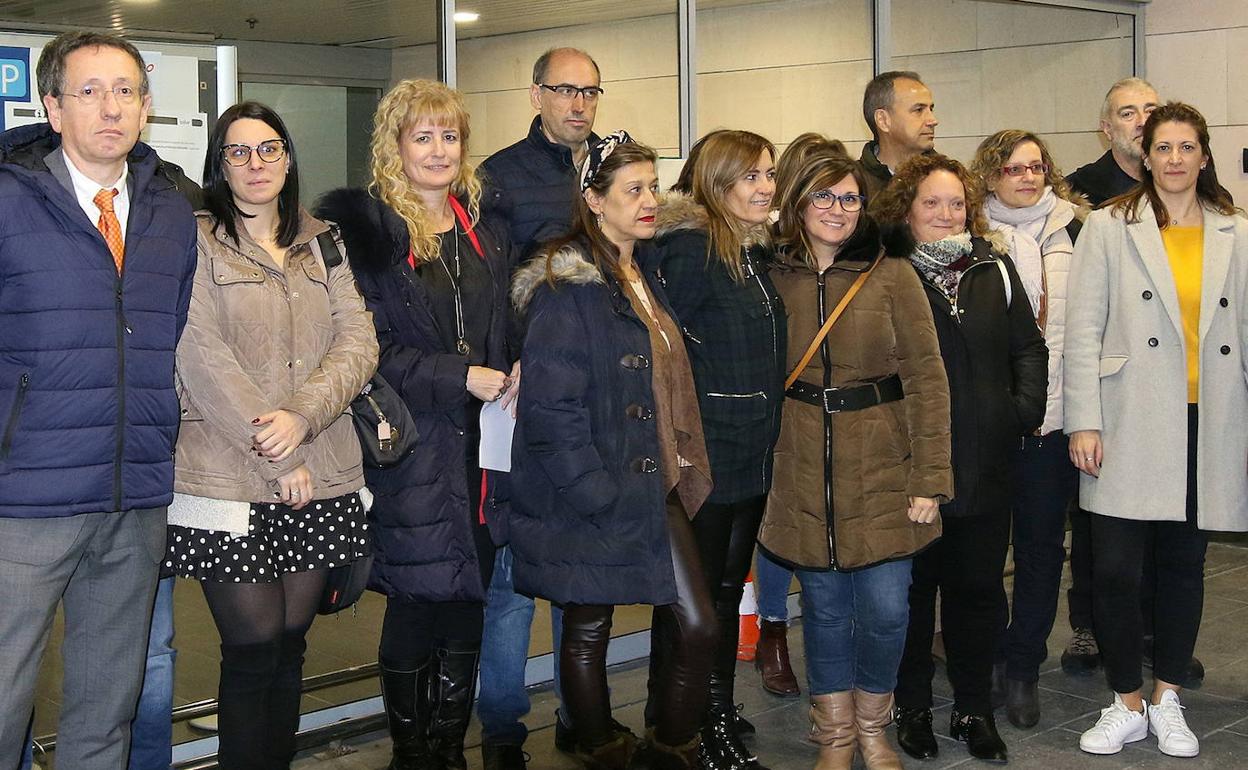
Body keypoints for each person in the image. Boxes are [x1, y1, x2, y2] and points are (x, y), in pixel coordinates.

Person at [0, 31, 197, 769]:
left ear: (146, 108)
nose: (109, 107)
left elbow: (169, 334)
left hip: (134, 497)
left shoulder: (171, 213)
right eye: (88, 91)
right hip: (23, 501)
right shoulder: (8, 202)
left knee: (106, 710)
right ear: (53, 107)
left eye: (125, 91)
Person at [165, 100, 378, 769]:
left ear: (288, 157)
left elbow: (358, 340)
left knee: (290, 645)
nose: (256, 163)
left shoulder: (324, 240)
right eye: (239, 151)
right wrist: (273, 445)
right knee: (254, 648)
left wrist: (302, 419)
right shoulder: (195, 240)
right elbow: (199, 355)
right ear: (220, 164)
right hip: (229, 473)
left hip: (322, 463)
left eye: (269, 149)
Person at [316, 78, 517, 770]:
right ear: (394, 146)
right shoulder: (368, 235)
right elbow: (361, 350)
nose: (438, 150)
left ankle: (448, 749)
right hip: (409, 442)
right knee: (415, 602)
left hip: (482, 445)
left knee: (468, 600)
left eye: (450, 135)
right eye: (422, 136)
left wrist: (512, 367)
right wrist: (457, 375)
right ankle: (412, 753)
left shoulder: (485, 228)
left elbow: (504, 326)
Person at [509, 131, 714, 770]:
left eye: (654, 186)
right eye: (634, 190)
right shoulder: (566, 285)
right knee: (588, 622)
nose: (650, 201)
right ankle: (597, 742)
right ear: (594, 200)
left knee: (697, 624)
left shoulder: (642, 271)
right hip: (594, 482)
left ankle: (668, 742)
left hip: (654, 476)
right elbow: (551, 407)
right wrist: (592, 489)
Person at [1066, 102, 1248, 759]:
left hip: (1209, 419)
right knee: (1114, 569)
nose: (1174, 159)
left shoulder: (1236, 230)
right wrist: (1083, 419)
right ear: (1145, 156)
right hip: (1129, 416)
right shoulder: (1111, 226)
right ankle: (1125, 701)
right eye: (1162, 147)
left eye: (1186, 147)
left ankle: (1168, 698)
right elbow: (1081, 330)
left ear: (1203, 156)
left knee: (1182, 567)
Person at [761, 151, 953, 770]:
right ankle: (836, 737)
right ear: (796, 203)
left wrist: (930, 477)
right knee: (822, 610)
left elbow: (928, 380)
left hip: (884, 464)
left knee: (886, 609)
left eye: (848, 198)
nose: (838, 210)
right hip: (800, 466)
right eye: (824, 197)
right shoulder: (771, 275)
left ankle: (875, 726)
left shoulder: (893, 274)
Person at [875, 153, 1048, 764]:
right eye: (931, 204)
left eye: (956, 204)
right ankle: (913, 707)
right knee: (914, 594)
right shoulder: (886, 273)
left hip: (986, 463)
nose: (947, 216)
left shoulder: (992, 267)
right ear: (906, 211)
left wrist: (1019, 412)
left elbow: (1028, 347)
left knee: (978, 592)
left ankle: (974, 707)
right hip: (912, 471)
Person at [477, 46, 603, 769]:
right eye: (565, 90)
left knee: (579, 576)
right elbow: (494, 290)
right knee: (512, 582)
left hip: (595, 406)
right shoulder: (500, 177)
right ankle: (501, 730)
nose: (579, 104)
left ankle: (580, 716)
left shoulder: (609, 170)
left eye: (590, 91)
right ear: (537, 93)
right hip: (523, 407)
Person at [651, 129, 787, 770]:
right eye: (752, 176)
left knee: (727, 592)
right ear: (716, 182)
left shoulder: (748, 251)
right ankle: (693, 721)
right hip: (706, 456)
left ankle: (706, 708)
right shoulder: (691, 249)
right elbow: (664, 357)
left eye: (769, 175)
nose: (767, 188)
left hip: (751, 450)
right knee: (698, 601)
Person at [970, 130, 1085, 729]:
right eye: (1013, 168)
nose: (1028, 177)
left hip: (1056, 421)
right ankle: (987, 656)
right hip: (992, 423)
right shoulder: (969, 235)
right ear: (989, 176)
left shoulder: (1078, 230)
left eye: (1037, 166)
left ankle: (1022, 667)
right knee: (985, 554)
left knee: (1042, 551)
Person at [750, 132, 850, 702]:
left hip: (833, 413)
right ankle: (773, 630)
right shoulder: (769, 255)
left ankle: (816, 634)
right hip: (780, 407)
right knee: (775, 525)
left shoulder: (853, 254)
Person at [1067, 78, 1159, 207]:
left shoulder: (1188, 184)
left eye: (1150, 112)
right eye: (1128, 114)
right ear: (1107, 129)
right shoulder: (1075, 192)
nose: (1143, 122)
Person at [858, 71, 938, 201]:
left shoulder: (950, 179)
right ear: (883, 120)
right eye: (918, 110)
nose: (933, 120)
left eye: (931, 109)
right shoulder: (853, 186)